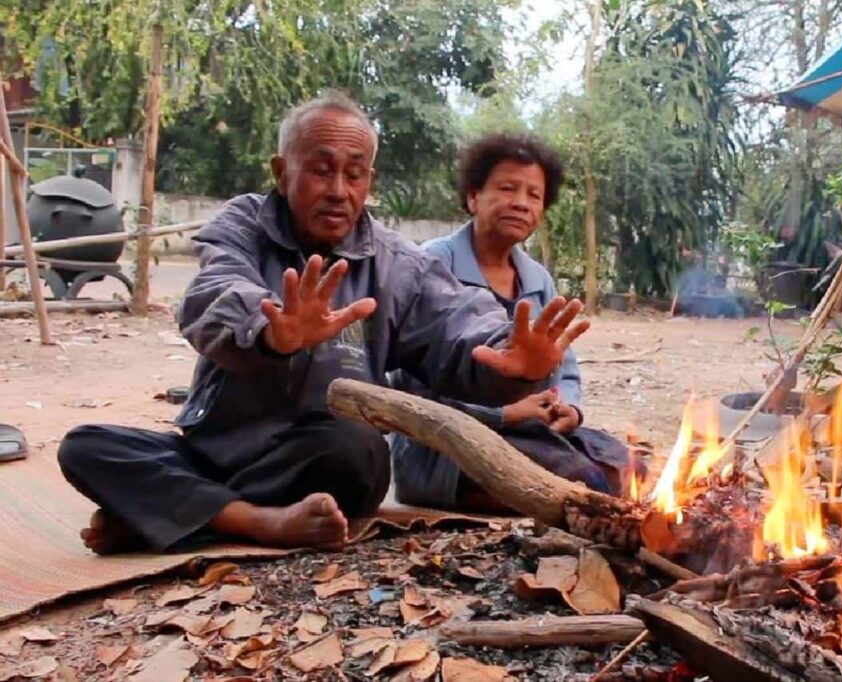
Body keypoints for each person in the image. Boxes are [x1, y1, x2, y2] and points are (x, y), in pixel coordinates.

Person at [56, 93, 590, 555]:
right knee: (85, 445)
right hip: (217, 448)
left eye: (354, 173)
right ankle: (252, 521)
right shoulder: (245, 224)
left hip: (317, 456)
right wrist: (271, 331)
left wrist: (513, 361)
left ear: (368, 181)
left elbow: (458, 323)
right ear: (281, 171)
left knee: (361, 455)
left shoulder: (397, 263)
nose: (339, 189)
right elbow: (211, 295)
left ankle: (169, 512)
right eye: (320, 168)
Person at [391, 133, 636, 513]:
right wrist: (503, 414)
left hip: (529, 431)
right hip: (445, 445)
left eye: (534, 195)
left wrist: (568, 408)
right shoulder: (430, 266)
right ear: (473, 197)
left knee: (629, 469)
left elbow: (564, 367)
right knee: (584, 485)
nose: (521, 203)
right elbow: (410, 391)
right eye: (507, 189)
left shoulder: (537, 279)